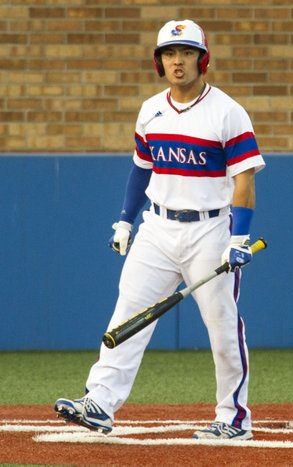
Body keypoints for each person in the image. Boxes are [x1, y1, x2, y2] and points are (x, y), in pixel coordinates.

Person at [54, 19, 265, 440]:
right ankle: (100, 401)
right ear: (159, 62)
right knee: (128, 314)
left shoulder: (227, 111)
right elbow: (141, 169)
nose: (178, 61)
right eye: (169, 54)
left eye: (186, 52)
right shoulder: (150, 109)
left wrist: (239, 238)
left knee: (222, 327)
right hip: (157, 227)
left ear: (202, 59)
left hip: (210, 231)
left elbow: (245, 179)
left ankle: (234, 417)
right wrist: (125, 219)